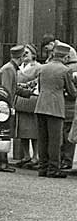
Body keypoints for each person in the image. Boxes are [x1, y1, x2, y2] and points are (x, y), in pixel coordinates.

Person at [34, 41, 77, 178]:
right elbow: (72, 92)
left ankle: (42, 167)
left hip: (40, 106)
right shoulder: (65, 70)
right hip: (55, 108)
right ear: (65, 58)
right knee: (54, 140)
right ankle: (53, 169)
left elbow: (40, 87)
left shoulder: (43, 68)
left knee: (42, 139)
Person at [0, 44, 27, 173]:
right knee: (3, 134)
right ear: (21, 57)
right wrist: (10, 108)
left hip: (4, 107)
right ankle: (1, 163)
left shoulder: (10, 68)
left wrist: (27, 92)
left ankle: (2, 161)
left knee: (4, 134)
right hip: (4, 109)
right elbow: (6, 91)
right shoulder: (9, 69)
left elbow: (13, 88)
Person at [14, 43, 41, 169]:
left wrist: (24, 85)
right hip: (20, 100)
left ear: (33, 55)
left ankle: (36, 156)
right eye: (23, 54)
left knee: (33, 130)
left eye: (27, 53)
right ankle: (26, 155)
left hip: (32, 99)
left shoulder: (38, 67)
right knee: (22, 130)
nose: (24, 56)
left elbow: (37, 82)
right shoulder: (19, 67)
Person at [60, 46, 77, 171]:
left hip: (67, 105)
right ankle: (66, 160)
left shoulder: (69, 69)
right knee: (67, 134)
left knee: (66, 134)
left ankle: (65, 159)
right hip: (70, 106)